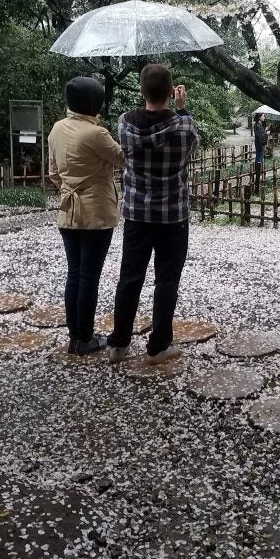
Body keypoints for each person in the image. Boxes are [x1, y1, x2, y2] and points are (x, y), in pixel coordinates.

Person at [107, 63, 199, 364]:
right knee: (166, 280)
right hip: (172, 216)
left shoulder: (124, 124)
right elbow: (191, 145)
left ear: (141, 90)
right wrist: (182, 109)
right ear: (172, 92)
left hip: (137, 214)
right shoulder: (184, 126)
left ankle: (118, 344)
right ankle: (158, 346)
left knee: (130, 278)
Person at [48, 76, 124, 356]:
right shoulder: (96, 134)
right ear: (95, 104)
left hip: (68, 211)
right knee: (89, 277)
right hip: (96, 213)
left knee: (75, 275)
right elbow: (122, 158)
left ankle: (75, 335)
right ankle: (85, 338)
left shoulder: (56, 129)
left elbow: (53, 173)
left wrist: (71, 188)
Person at [253, 112, 268, 190]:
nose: (264, 117)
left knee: (259, 156)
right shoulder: (257, 125)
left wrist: (265, 131)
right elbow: (260, 135)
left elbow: (261, 133)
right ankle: (258, 171)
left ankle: (258, 169)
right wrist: (267, 134)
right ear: (259, 117)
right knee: (259, 157)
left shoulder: (259, 125)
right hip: (259, 144)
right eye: (263, 116)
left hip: (259, 143)